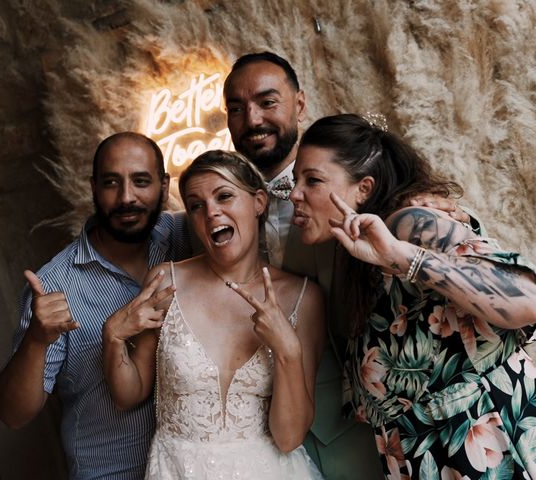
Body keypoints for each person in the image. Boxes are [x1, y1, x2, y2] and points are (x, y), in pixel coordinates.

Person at [223, 51, 476, 478]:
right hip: (257, 430)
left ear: (300, 104)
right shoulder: (211, 207)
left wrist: (419, 211)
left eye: (268, 102)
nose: (252, 119)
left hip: (360, 423)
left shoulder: (374, 198)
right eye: (236, 108)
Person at [290, 113, 536, 478]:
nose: (295, 194)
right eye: (296, 180)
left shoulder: (409, 223)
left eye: (312, 180)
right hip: (423, 459)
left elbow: (527, 298)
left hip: (488, 445)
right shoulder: (356, 255)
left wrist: (401, 256)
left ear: (364, 188)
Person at [103, 150, 325, 479]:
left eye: (224, 196)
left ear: (259, 202)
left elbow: (289, 437)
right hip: (178, 471)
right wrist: (113, 336)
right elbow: (128, 395)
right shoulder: (166, 281)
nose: (211, 212)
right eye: (196, 205)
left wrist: (287, 351)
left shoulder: (303, 298)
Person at [0, 132, 191, 480]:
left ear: (164, 185)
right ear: (93, 188)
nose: (126, 197)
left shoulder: (185, 237)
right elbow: (13, 414)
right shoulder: (55, 286)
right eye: (111, 183)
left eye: (141, 181)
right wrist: (36, 340)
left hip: (193, 468)